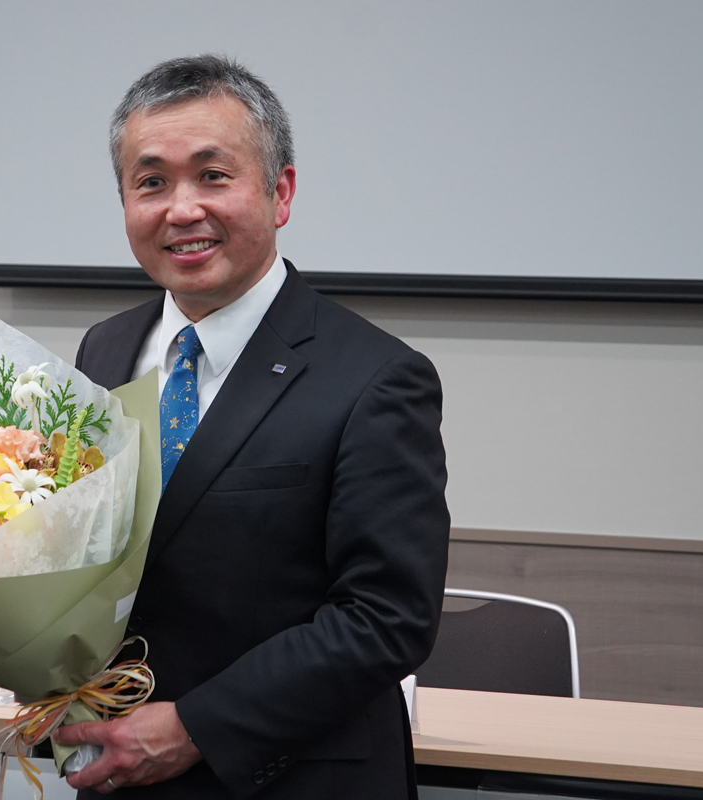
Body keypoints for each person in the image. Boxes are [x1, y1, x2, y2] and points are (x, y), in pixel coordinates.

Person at [53, 55, 450, 799]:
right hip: (116, 771)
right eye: (151, 182)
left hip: (287, 777)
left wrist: (193, 727)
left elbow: (385, 617)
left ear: (281, 191)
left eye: (213, 175)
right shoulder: (104, 350)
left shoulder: (376, 377)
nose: (181, 209)